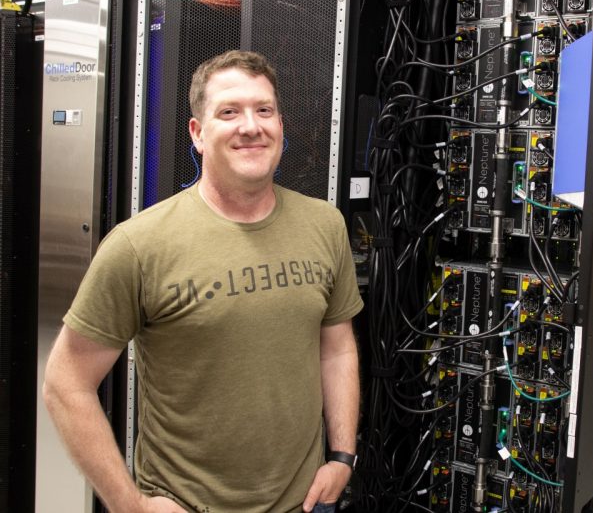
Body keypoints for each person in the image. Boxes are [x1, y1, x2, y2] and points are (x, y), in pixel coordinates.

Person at [43, 50, 363, 513]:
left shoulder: (324, 225)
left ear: (280, 124)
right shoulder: (139, 245)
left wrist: (341, 456)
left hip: (307, 503)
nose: (250, 126)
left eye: (264, 110)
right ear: (196, 133)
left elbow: (337, 347)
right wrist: (130, 505)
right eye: (229, 112)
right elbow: (65, 384)